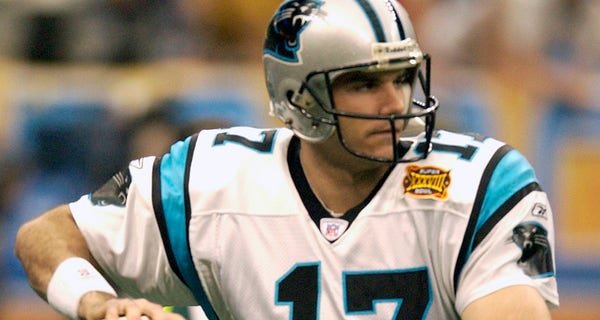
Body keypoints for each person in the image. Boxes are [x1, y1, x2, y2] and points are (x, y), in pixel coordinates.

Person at [14, 0, 559, 319]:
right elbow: (42, 237)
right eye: (365, 83)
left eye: (402, 76)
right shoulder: (210, 178)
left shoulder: (483, 184)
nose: (395, 102)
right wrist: (96, 303)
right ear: (299, 98)